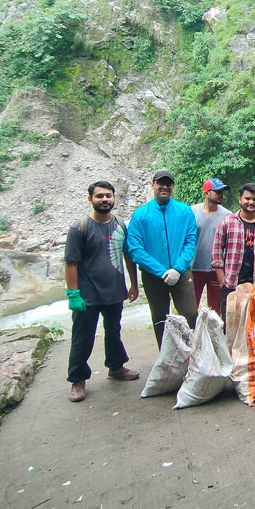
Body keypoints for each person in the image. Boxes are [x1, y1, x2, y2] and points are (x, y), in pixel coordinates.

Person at [65, 181, 140, 402]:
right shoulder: (79, 227)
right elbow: (71, 263)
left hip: (115, 292)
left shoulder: (120, 225)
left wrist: (133, 284)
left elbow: (128, 256)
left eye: (108, 195)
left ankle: (116, 367)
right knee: (83, 337)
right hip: (88, 295)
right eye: (99, 196)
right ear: (90, 199)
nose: (104, 199)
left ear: (114, 198)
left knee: (114, 332)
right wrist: (73, 295)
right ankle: (77, 379)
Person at [126, 169, 198, 348]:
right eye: (160, 183)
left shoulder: (184, 211)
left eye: (168, 184)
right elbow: (135, 249)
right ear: (153, 185)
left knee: (190, 313)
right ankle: (166, 356)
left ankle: (193, 352)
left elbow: (190, 241)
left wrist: (177, 268)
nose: (164, 187)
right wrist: (161, 271)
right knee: (159, 317)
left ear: (173, 186)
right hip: (153, 275)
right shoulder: (140, 214)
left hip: (180, 272)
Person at [212, 183, 255, 324]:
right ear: (240, 200)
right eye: (247, 199)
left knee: (254, 324)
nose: (251, 202)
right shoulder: (227, 223)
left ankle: (252, 347)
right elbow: (217, 253)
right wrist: (221, 281)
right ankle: (231, 347)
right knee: (230, 323)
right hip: (231, 282)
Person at [191, 178, 231, 314]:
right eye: (217, 192)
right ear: (206, 193)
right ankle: (188, 334)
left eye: (222, 192)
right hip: (193, 267)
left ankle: (213, 334)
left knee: (215, 309)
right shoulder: (191, 212)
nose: (221, 195)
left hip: (216, 269)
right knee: (189, 307)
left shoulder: (227, 215)